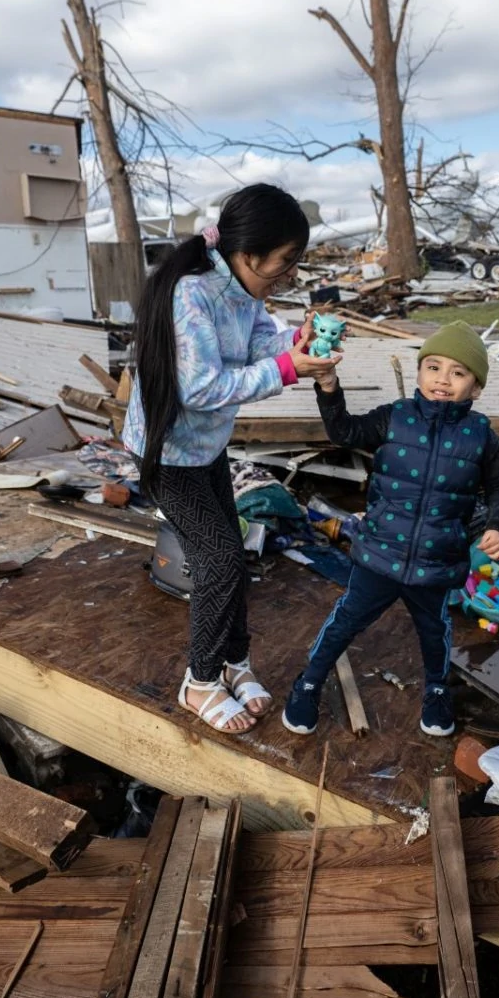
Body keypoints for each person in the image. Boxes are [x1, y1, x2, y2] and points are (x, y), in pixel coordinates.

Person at [124, 184, 341, 734]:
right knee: (219, 560)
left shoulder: (245, 293)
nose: (288, 273)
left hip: (206, 447)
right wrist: (290, 369)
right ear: (247, 254)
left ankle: (233, 662)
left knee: (233, 554)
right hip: (169, 453)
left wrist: (302, 343)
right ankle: (198, 683)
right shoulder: (191, 295)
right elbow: (199, 387)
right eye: (284, 262)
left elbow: (263, 345)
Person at [282, 320, 499, 737]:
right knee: (345, 622)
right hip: (379, 555)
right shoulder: (396, 417)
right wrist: (329, 385)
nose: (443, 379)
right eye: (434, 367)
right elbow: (344, 431)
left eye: (458, 373)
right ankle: (309, 682)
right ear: (420, 372)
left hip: (437, 561)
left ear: (476, 388)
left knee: (435, 631)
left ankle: (438, 691)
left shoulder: (481, 436)